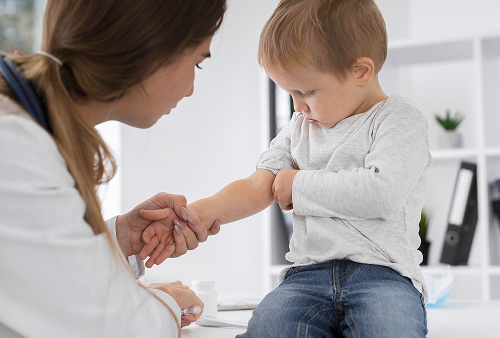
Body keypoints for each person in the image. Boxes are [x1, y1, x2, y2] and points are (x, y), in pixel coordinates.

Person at [145, 0, 432, 336]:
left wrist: (297, 186)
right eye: (290, 93)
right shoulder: (300, 127)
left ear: (361, 72)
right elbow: (258, 185)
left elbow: (380, 193)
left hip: (384, 276)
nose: (298, 106)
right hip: (306, 276)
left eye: (307, 91)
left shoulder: (398, 120)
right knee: (269, 327)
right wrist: (196, 214)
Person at [0, 0, 225, 337]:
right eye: (197, 63)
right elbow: (110, 328)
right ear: (148, 50)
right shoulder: (16, 146)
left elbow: (31, 265)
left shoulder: (25, 126)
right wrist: (164, 303)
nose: (191, 88)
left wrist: (119, 237)